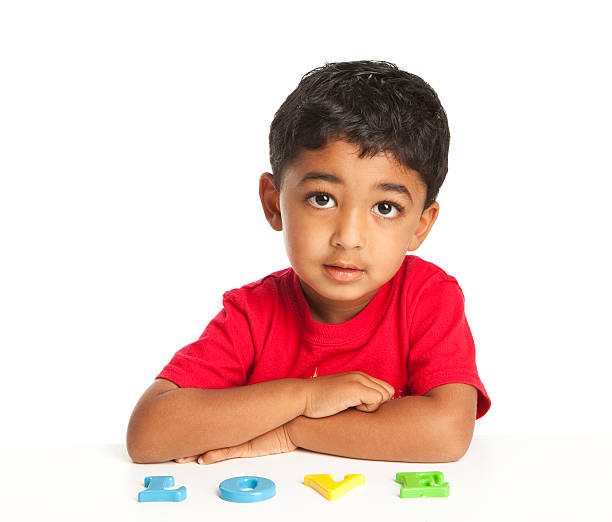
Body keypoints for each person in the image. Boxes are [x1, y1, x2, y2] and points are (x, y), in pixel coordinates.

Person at [126, 60, 491, 465]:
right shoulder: (253, 314)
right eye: (322, 198)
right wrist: (306, 395)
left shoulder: (427, 297)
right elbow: (149, 434)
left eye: (385, 207)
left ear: (420, 226)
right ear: (273, 203)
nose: (349, 237)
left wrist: (291, 429)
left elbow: (446, 434)